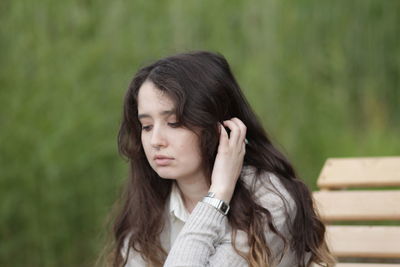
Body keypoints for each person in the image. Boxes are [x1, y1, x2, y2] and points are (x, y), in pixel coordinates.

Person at [110, 51, 335, 267]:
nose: (155, 140)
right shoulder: (150, 205)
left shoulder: (269, 201)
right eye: (146, 126)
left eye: (174, 123)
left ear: (221, 126)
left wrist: (217, 196)